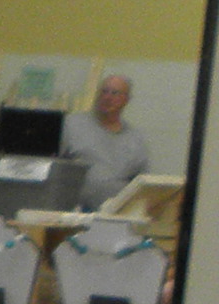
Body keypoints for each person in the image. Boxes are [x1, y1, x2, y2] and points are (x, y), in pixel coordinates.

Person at [62, 72, 155, 205]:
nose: (107, 97)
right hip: (75, 208)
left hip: (117, 210)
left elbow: (142, 181)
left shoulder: (135, 139)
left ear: (126, 100)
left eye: (114, 93)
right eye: (104, 91)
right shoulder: (71, 125)